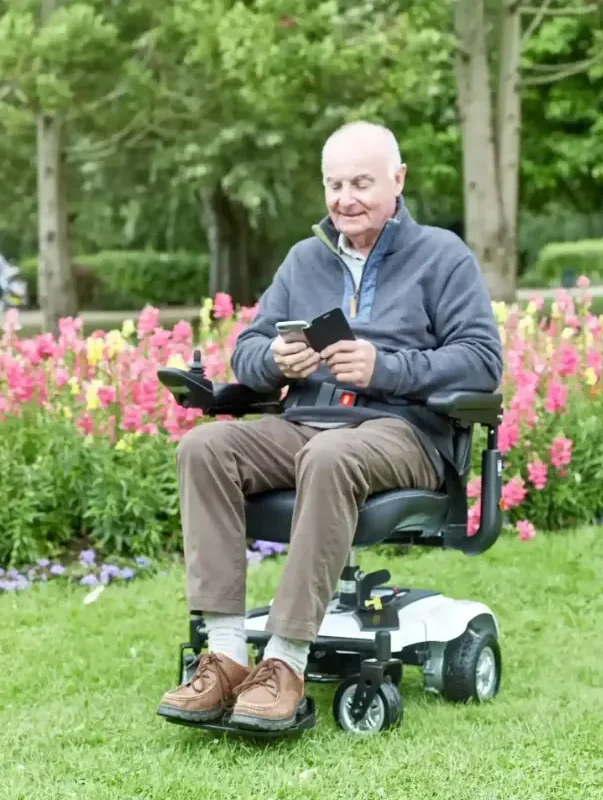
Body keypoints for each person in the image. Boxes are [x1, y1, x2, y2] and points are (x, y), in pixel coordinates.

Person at [156, 121, 503, 731]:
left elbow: (481, 360)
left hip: (403, 432)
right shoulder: (305, 259)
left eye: (361, 183)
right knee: (205, 447)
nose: (345, 198)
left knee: (332, 456)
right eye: (335, 184)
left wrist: (384, 367)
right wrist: (274, 361)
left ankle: (285, 662)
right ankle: (227, 656)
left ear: (398, 181)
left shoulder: (442, 257)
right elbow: (249, 347)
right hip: (307, 422)